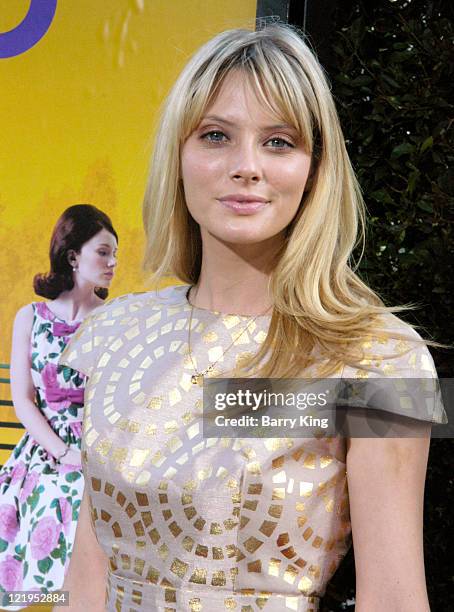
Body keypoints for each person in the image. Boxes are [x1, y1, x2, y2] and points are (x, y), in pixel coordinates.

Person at [59, 25, 447, 612]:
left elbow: (394, 598)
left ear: (315, 168)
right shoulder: (115, 334)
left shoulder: (383, 360)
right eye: (216, 135)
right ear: (179, 156)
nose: (246, 167)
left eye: (279, 142)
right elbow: (88, 571)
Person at [0, 204, 118, 609]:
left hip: (95, 452)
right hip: (42, 451)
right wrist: (60, 451)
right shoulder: (30, 318)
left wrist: (84, 455)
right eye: (103, 252)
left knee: (79, 497)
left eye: (114, 254)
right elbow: (23, 399)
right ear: (73, 256)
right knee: (43, 498)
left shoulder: (111, 320)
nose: (112, 262)